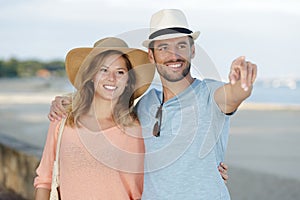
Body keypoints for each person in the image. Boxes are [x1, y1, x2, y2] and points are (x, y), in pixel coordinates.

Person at [48, 9, 256, 199]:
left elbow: (234, 94)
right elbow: (107, 111)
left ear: (192, 50)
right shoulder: (146, 103)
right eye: (164, 47)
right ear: (152, 55)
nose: (174, 55)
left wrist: (242, 84)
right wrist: (68, 101)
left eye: (181, 45)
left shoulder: (211, 94)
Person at [34, 37, 155, 200]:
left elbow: (140, 191)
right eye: (103, 70)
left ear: (128, 81)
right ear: (91, 76)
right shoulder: (62, 120)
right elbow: (44, 180)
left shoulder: (136, 130)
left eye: (120, 72)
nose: (112, 78)